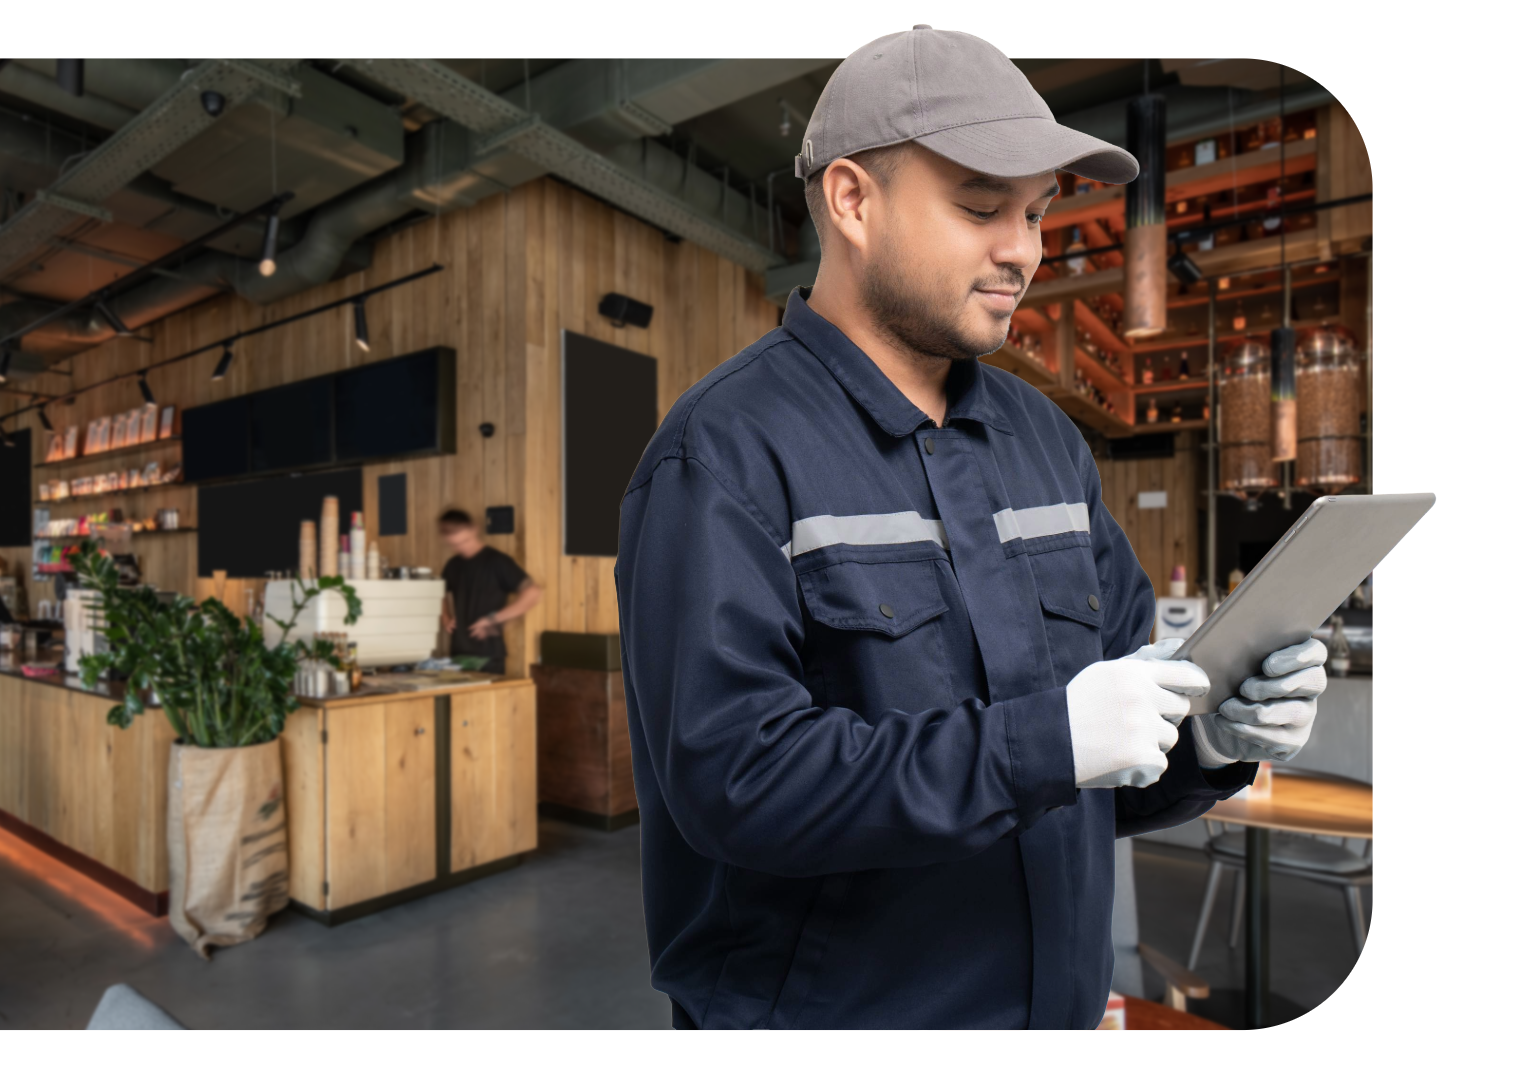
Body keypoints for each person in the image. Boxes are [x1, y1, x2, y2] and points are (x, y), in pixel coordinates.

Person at [614, 26, 1328, 1031]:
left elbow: (1108, 749)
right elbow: (737, 785)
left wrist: (1214, 733)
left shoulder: (1044, 439)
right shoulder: (723, 455)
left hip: (1055, 1013)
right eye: (983, 207)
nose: (1024, 252)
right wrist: (1043, 743)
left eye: (1037, 213)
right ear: (852, 201)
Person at [438, 509, 541, 676]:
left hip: (489, 656)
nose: (462, 547)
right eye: (455, 544)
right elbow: (439, 592)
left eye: (465, 540)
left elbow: (533, 593)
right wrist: (445, 617)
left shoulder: (497, 562)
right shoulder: (453, 564)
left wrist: (493, 619)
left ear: (474, 529)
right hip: (458, 653)